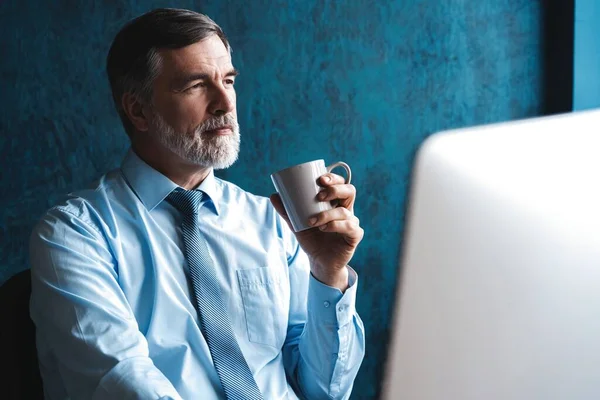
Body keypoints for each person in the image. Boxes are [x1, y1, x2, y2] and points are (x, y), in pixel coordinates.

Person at [29, 8, 365, 400]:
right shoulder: (74, 236)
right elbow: (121, 380)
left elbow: (325, 391)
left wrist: (328, 273)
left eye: (228, 80)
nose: (225, 102)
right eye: (195, 85)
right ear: (138, 109)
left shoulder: (272, 223)